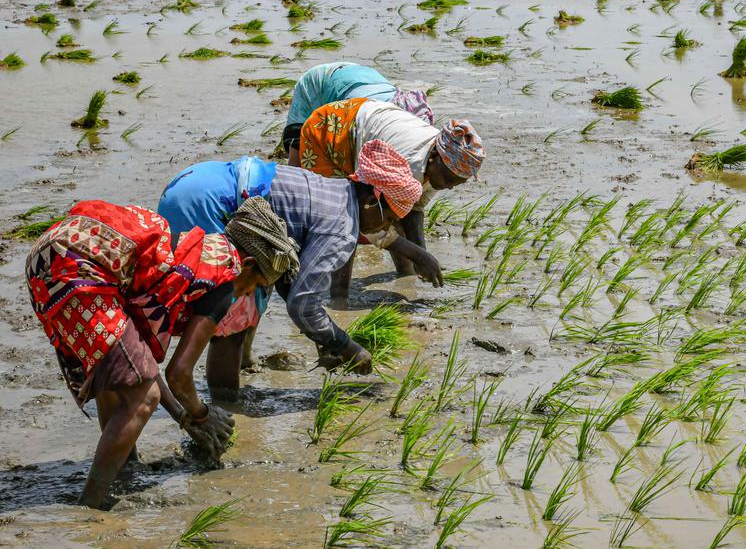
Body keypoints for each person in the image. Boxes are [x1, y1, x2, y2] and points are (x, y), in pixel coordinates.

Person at [26, 197, 298, 508]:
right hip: (79, 266)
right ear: (247, 265)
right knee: (142, 397)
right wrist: (202, 415)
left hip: (49, 255)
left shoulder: (192, 254)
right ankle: (90, 505)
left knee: (122, 376)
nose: (249, 293)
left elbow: (144, 369)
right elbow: (178, 375)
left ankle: (125, 467)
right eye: (257, 284)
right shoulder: (224, 278)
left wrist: (184, 419)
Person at [158, 144, 427, 399]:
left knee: (248, 292)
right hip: (211, 205)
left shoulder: (336, 189)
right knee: (233, 314)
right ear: (371, 201)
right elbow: (303, 304)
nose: (386, 226)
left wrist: (322, 338)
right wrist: (348, 347)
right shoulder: (341, 228)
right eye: (389, 218)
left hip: (194, 181)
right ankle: (225, 406)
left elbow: (291, 277)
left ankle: (224, 382)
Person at [298, 97, 485, 294]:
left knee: (394, 212)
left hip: (366, 121)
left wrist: (420, 252)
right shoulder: (408, 164)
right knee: (345, 219)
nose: (448, 187)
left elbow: (414, 207)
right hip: (330, 131)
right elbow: (368, 221)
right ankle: (338, 296)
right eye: (448, 180)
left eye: (455, 184)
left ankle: (406, 277)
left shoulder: (441, 163)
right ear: (435, 157)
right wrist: (419, 256)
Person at [280, 61, 435, 165]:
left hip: (364, 76)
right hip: (322, 80)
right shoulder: (367, 122)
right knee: (299, 147)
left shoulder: (414, 131)